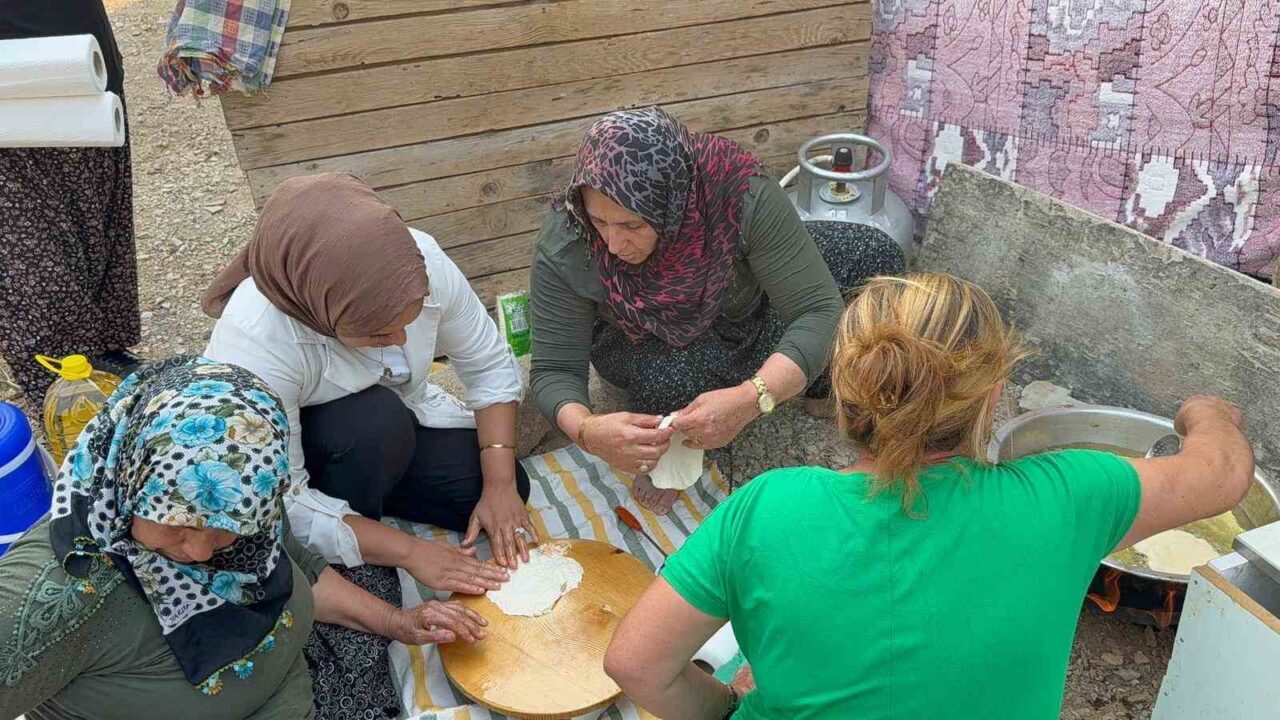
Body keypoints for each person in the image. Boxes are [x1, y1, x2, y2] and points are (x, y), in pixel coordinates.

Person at [604, 273, 1255, 719]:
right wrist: (1207, 412)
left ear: (847, 391)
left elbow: (637, 664)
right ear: (993, 398)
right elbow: (1222, 474)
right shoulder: (1068, 498)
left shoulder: (764, 508)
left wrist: (733, 708)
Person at [0, 358, 487, 720]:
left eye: (224, 531)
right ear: (132, 480)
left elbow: (298, 570)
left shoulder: (236, 494)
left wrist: (397, 622)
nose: (202, 550)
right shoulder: (57, 593)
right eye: (180, 525)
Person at [529, 107, 906, 514]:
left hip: (742, 311)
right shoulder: (569, 239)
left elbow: (816, 307)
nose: (614, 244)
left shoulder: (734, 191)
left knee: (874, 255)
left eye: (632, 225)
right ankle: (729, 400)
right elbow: (554, 371)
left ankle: (809, 383)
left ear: (674, 201)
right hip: (643, 340)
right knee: (670, 386)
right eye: (600, 221)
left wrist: (753, 397)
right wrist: (586, 431)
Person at [203, 172, 536, 578]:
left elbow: (487, 364)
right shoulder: (256, 338)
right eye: (377, 332)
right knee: (375, 422)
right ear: (320, 308)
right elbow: (279, 499)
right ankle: (352, 526)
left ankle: (369, 506)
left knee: (505, 486)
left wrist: (498, 483)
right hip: (324, 450)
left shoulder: (419, 262)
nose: (398, 341)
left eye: (406, 324)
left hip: (389, 435)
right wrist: (411, 553)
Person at [0, 0, 143, 397]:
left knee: (100, 218)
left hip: (84, 59)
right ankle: (62, 381)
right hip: (11, 79)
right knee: (28, 242)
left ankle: (104, 348)